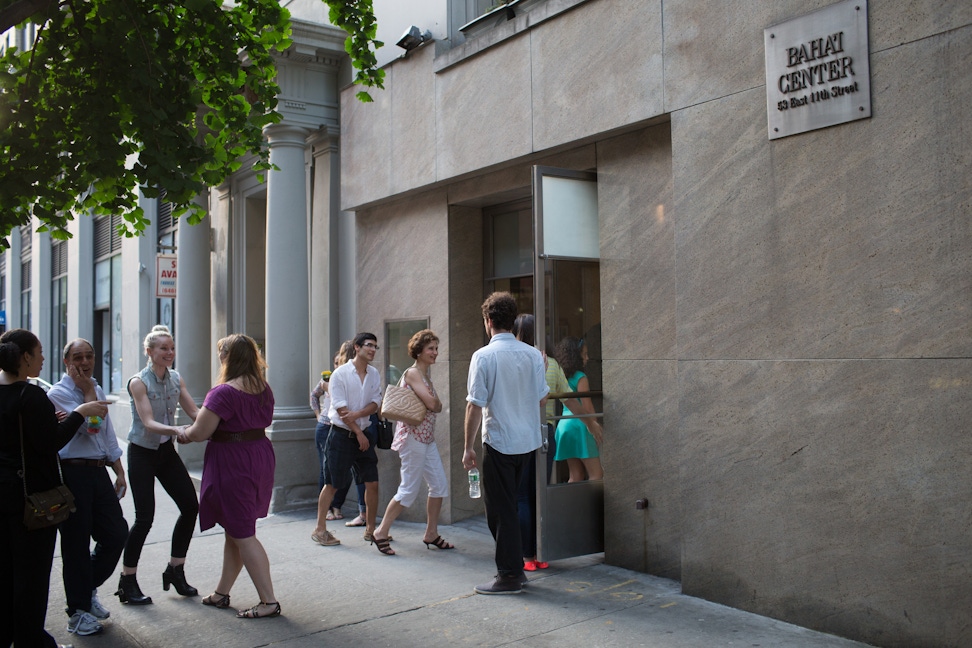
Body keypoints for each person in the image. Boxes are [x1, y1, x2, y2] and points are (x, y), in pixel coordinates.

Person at [0, 329, 108, 648]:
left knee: (8, 571)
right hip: (31, 500)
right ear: (25, 358)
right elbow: (50, 444)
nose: (43, 358)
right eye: (40, 352)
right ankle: (32, 639)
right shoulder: (30, 395)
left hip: (5, 495)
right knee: (32, 575)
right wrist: (79, 413)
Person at [177, 334, 280, 619]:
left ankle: (269, 601)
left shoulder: (223, 392)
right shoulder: (263, 388)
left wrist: (182, 433)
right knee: (236, 530)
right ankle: (222, 593)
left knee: (242, 533)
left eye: (221, 354)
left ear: (228, 358)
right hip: (258, 455)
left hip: (233, 461)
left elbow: (200, 432)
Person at [463, 293, 548, 595]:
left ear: (488, 322)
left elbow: (475, 405)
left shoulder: (483, 356)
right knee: (508, 507)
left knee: (500, 510)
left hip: (500, 441)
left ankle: (510, 574)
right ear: (512, 321)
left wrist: (467, 447)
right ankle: (514, 569)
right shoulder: (533, 355)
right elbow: (541, 397)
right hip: (527, 441)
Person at [47, 338, 130, 637]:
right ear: (66, 361)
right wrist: (85, 395)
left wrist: (119, 470)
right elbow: (92, 424)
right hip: (72, 475)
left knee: (117, 533)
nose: (84, 362)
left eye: (89, 356)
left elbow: (106, 435)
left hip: (97, 473)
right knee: (76, 545)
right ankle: (78, 612)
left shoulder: (95, 387)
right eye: (78, 357)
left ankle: (84, 591)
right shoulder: (58, 393)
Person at [119, 325, 200, 606]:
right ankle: (127, 580)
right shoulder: (138, 382)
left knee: (191, 506)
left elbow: (194, 411)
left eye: (172, 348)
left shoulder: (176, 379)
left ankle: (175, 570)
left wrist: (213, 422)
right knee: (144, 518)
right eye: (163, 348)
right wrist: (179, 431)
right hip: (142, 453)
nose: (169, 353)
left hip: (165, 451)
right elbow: (149, 423)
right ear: (149, 352)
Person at [371, 329, 452, 556]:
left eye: (436, 348)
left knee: (439, 486)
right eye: (431, 349)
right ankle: (380, 532)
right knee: (407, 491)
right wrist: (434, 403)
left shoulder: (425, 375)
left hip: (427, 439)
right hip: (413, 438)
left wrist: (435, 403)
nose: (435, 353)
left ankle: (431, 533)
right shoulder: (414, 373)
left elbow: (436, 405)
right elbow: (433, 404)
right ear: (419, 351)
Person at [511, 314, 572, 572]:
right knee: (539, 494)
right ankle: (541, 553)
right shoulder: (553, 364)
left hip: (522, 433)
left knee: (523, 496)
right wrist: (590, 421)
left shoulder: (513, 361)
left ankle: (527, 556)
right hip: (546, 432)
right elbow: (568, 396)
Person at [310, 332, 382, 547]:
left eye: (375, 347)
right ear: (357, 347)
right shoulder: (340, 374)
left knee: (372, 482)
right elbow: (340, 408)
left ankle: (370, 529)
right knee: (332, 483)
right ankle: (320, 529)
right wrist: (358, 431)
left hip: (363, 434)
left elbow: (376, 402)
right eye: (369, 345)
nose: (372, 350)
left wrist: (358, 417)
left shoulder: (374, 374)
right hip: (341, 435)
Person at [310, 340, 366, 525]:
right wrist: (318, 414)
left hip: (347, 427)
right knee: (327, 471)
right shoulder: (332, 378)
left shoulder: (358, 376)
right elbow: (315, 396)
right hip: (328, 425)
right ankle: (327, 511)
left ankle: (337, 506)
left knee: (346, 471)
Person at [552, 336, 604, 482]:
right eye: (584, 354)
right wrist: (594, 426)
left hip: (564, 425)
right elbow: (587, 406)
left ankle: (570, 505)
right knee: (596, 474)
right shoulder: (581, 377)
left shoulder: (563, 376)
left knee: (575, 476)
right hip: (581, 425)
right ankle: (592, 505)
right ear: (576, 356)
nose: (587, 358)